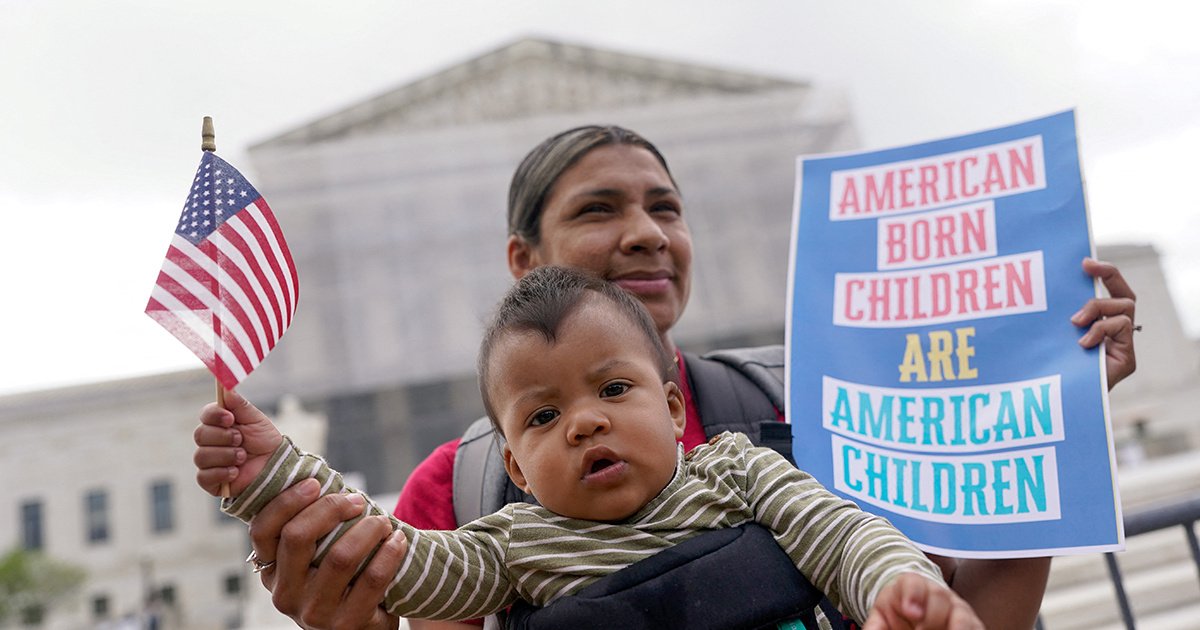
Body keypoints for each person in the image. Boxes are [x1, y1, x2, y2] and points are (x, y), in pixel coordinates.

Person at [221, 125, 1139, 630]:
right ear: (524, 258)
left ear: (666, 403)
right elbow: (405, 565)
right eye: (600, 209)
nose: (648, 233)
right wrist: (284, 492)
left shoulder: (801, 415)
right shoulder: (466, 500)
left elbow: (949, 605)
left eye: (666, 207)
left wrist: (1049, 405)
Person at [196, 266, 984, 629]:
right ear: (514, 468)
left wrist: (898, 591)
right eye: (541, 418)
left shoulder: (740, 469)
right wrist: (274, 476)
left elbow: (840, 532)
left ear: (674, 409)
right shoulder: (508, 545)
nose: (582, 423)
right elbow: (398, 559)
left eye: (613, 391)